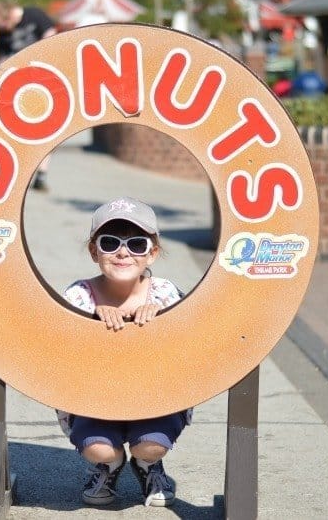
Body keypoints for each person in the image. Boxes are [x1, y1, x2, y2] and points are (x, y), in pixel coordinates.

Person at [57, 197, 190, 507]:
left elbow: (187, 345)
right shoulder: (80, 295)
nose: (123, 252)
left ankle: (147, 464)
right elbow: (62, 348)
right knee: (100, 449)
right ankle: (107, 465)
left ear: (153, 253)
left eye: (137, 244)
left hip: (153, 395)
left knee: (151, 446)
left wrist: (162, 318)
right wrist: (91, 317)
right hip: (95, 396)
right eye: (110, 242)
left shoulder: (165, 294)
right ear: (94, 251)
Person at [0, 0, 56, 191]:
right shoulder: (3, 33)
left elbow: (52, 39)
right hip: (15, 88)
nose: (2, 29)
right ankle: (21, 174)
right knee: (18, 131)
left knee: (46, 129)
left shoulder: (34, 14)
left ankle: (41, 174)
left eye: (1, 24)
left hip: (42, 82)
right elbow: (0, 60)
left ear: (7, 15)